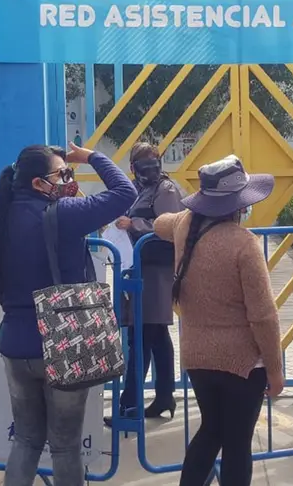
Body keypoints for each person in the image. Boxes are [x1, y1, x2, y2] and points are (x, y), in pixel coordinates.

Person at [0, 143, 136, 486]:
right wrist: (92, 157)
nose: (68, 179)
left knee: (26, 439)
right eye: (62, 173)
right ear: (38, 183)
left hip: (14, 343)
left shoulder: (1, 216)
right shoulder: (64, 214)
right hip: (61, 343)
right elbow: (125, 192)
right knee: (65, 446)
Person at [154, 155, 283, 486]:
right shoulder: (245, 244)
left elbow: (158, 224)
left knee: (211, 429)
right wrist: (275, 369)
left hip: (197, 356)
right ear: (239, 204)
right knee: (237, 443)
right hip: (242, 363)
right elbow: (263, 316)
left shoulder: (185, 225)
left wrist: (182, 213)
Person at [106, 143, 182, 425]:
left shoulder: (166, 189)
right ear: (132, 168)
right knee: (156, 335)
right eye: (143, 163)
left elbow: (171, 227)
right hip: (139, 268)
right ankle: (164, 397)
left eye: (154, 161)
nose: (150, 167)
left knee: (141, 338)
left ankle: (130, 406)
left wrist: (134, 224)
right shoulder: (138, 189)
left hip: (155, 272)